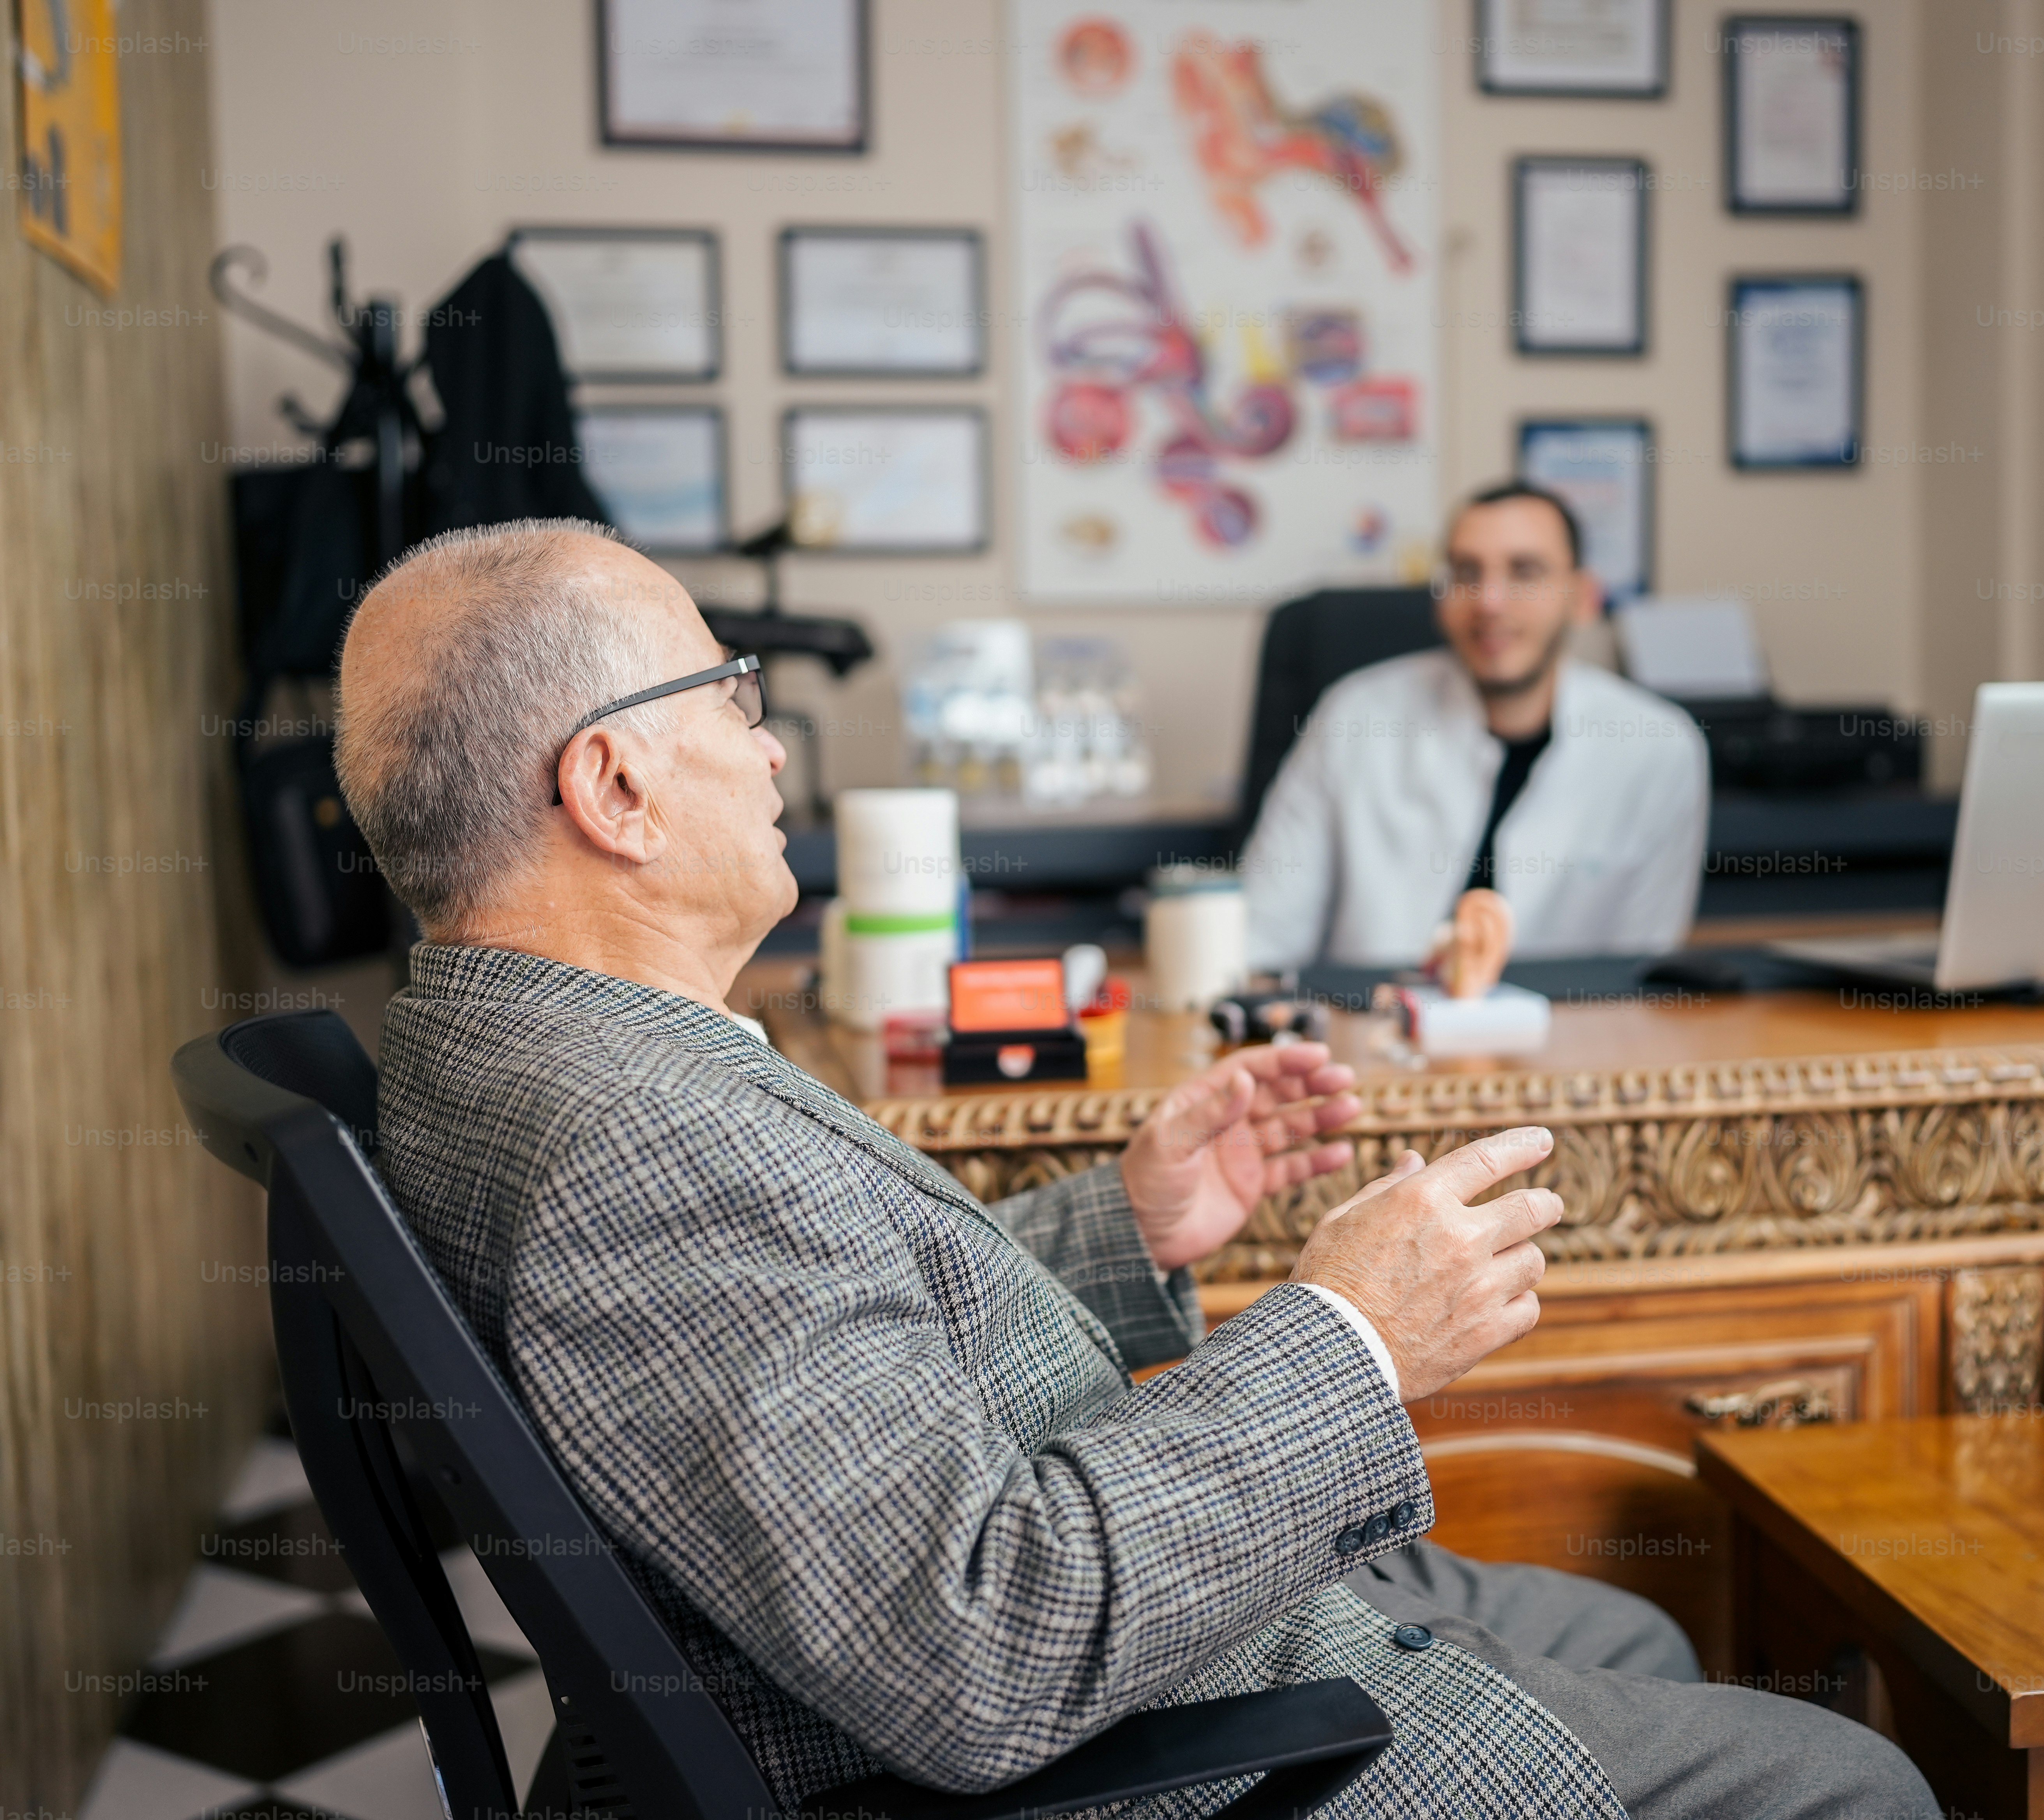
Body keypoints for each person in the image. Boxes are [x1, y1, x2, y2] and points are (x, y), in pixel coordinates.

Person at [334, 519, 1934, 1820]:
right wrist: (1352, 1341)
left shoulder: (524, 1056)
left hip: (1064, 1637)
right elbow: (977, 1643)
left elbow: (817, 1338)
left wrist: (1122, 1219)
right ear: (611, 789)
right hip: (1106, 1751)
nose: (770, 756)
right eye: (732, 703)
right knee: (1845, 1783)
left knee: (1635, 1627)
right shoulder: (640, 1147)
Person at [1241, 481, 1711, 974]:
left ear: (1582, 597)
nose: (1489, 601)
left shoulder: (1657, 749)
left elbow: (1639, 971)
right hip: (1368, 1034)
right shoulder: (1354, 718)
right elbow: (1262, 938)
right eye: (1467, 573)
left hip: (1572, 1042)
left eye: (1524, 571)